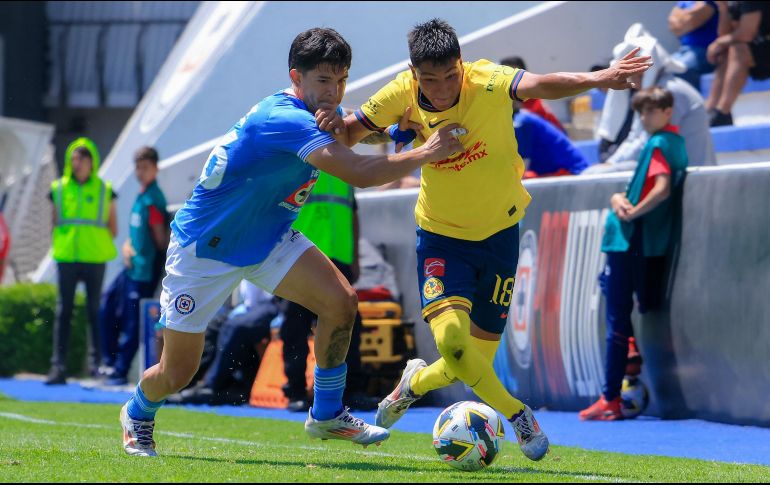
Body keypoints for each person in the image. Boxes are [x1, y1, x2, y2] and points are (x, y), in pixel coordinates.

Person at [118, 27, 464, 457]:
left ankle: (326, 414)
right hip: (205, 249)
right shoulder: (283, 119)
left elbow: (352, 128)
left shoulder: (314, 111)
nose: (333, 92)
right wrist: (425, 151)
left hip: (269, 238)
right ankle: (136, 411)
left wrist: (396, 130)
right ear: (295, 79)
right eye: (323, 81)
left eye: (340, 81)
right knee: (177, 372)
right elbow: (357, 171)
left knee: (341, 303)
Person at [323, 18, 651, 462]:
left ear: (462, 65)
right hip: (440, 239)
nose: (440, 89)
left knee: (472, 357)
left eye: (450, 76)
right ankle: (518, 417)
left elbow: (543, 83)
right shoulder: (399, 92)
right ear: (413, 72)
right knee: (455, 347)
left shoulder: (489, 80)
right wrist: (344, 123)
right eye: (429, 80)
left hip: (500, 235)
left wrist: (601, 78)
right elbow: (349, 133)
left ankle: (412, 384)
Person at [580, 87, 688, 420]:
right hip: (638, 242)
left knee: (615, 318)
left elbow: (661, 187)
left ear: (668, 112)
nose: (644, 117)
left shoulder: (658, 144)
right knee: (608, 289)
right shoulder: (674, 143)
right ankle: (626, 360)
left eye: (651, 111)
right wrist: (618, 199)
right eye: (641, 112)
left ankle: (610, 397)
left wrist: (632, 212)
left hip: (629, 242)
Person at [280, 171, 376, 412]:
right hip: (301, 257)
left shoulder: (344, 167)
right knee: (295, 326)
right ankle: (295, 391)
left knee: (349, 326)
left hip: (339, 258)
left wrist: (354, 258)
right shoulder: (301, 159)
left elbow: (352, 214)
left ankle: (352, 390)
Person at [591, 24, 715, 170]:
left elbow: (645, 141)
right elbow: (635, 137)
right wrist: (611, 163)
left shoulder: (669, 91)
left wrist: (611, 166)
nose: (633, 82)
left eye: (637, 76)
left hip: (693, 174)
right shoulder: (656, 91)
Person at [46, 137, 118, 385]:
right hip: (66, 257)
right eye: (74, 159)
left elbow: (113, 226)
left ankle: (96, 365)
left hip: (94, 257)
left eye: (83, 159)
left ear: (92, 162)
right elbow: (54, 221)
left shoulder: (105, 189)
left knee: (94, 311)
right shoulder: (58, 188)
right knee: (63, 311)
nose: (78, 164)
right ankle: (58, 367)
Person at [100, 146, 169, 386]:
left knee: (131, 323)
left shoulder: (153, 199)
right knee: (106, 306)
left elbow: (160, 239)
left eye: (145, 168)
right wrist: (128, 245)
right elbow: (137, 233)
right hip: (130, 268)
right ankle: (108, 363)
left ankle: (120, 371)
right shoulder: (141, 195)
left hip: (143, 272)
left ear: (155, 168)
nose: (140, 172)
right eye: (138, 168)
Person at [705, 1, 770, 126]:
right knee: (725, 52)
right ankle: (711, 109)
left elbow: (746, 34)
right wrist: (723, 9)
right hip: (758, 52)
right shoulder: (735, 4)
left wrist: (718, 43)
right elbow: (725, 34)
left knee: (737, 48)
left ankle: (723, 111)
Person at [513, 99, 589, 177]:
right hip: (551, 172)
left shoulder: (521, 122)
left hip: (571, 172)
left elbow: (520, 169)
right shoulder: (520, 119)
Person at [498, 56, 567, 133]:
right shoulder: (501, 100)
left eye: (514, 76)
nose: (511, 80)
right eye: (506, 75)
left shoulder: (531, 103)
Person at [668, 1, 720, 89]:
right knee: (663, 69)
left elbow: (691, 22)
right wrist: (690, 13)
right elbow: (674, 27)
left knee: (683, 69)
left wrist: (681, 15)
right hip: (684, 50)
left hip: (707, 50)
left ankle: (691, 102)